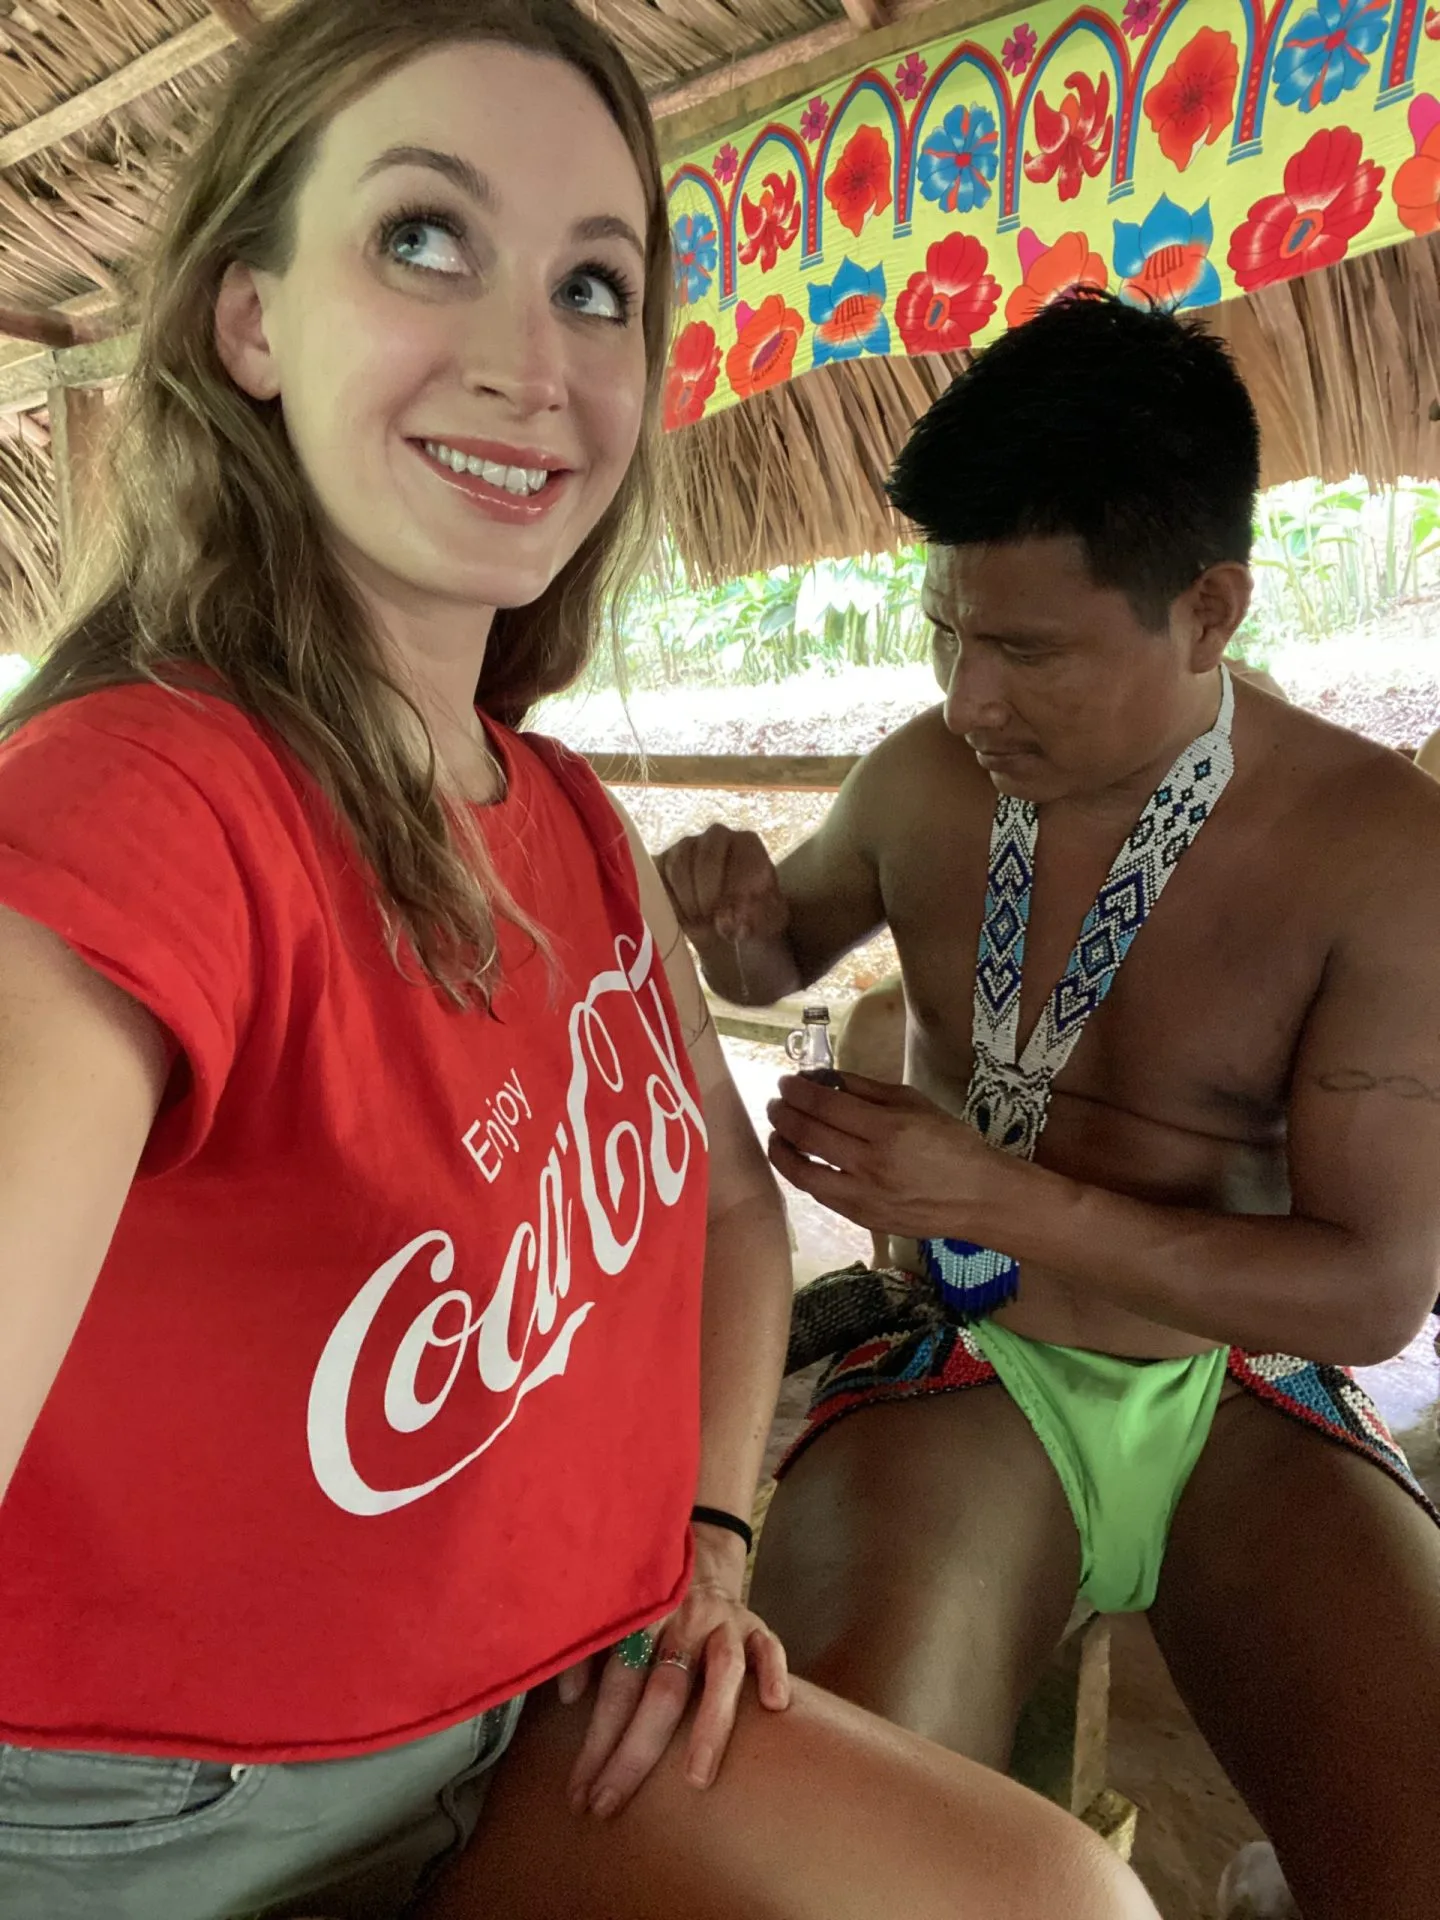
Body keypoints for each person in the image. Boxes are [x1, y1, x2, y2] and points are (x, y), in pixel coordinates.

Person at [0, 6, 1159, 1919]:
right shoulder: (139, 804)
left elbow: (720, 1199)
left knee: (1061, 1903)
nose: (532, 362)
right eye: (424, 239)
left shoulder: (566, 818)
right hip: (177, 1823)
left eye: (597, 284)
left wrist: (709, 1530)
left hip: (554, 1700)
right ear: (250, 321)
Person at [659, 294, 1440, 1920]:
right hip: (963, 1357)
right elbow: (781, 940)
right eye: (947, 630)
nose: (968, 697)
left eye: (1026, 650)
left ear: (1209, 609)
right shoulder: (921, 780)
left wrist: (999, 1197)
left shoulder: (1378, 851)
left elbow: (1371, 1293)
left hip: (1244, 1387)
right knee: (825, 1865)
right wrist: (732, 916)